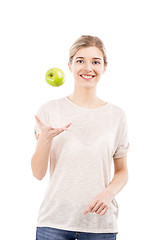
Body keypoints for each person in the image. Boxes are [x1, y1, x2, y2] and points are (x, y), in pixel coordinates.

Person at [31, 35, 130, 240]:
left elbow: (122, 171)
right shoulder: (50, 110)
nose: (88, 68)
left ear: (104, 67)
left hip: (100, 226)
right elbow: (38, 173)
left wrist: (108, 193)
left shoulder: (117, 115)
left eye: (95, 61)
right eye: (80, 61)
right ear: (69, 65)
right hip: (54, 223)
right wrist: (45, 139)